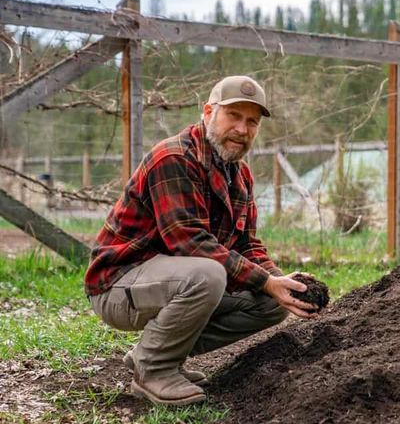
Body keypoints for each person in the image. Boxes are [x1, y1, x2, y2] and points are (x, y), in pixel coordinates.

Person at [84, 75, 317, 406]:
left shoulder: (241, 174)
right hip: (118, 284)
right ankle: (154, 370)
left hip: (171, 281)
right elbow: (189, 242)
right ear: (208, 112)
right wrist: (265, 280)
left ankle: (153, 352)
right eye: (233, 116)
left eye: (252, 122)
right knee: (208, 274)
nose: (242, 129)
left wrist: (280, 283)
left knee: (268, 304)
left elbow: (247, 244)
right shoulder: (174, 158)